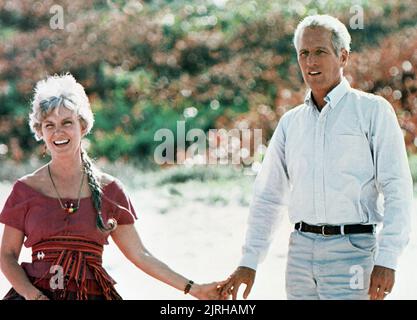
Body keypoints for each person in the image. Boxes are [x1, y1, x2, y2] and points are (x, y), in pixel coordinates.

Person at [221, 14, 413, 300]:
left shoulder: (373, 112)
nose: (311, 62)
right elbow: (269, 196)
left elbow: (397, 189)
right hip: (300, 254)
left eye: (320, 52)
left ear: (343, 56)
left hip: (354, 254)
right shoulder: (290, 123)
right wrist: (249, 261)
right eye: (304, 53)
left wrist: (387, 259)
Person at [0, 74, 227, 300]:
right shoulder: (25, 190)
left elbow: (140, 254)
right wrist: (33, 297)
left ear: (83, 125)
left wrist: (194, 288)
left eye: (66, 123)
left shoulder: (110, 190)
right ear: (41, 131)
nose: (58, 132)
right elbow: (7, 255)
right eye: (49, 125)